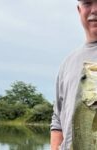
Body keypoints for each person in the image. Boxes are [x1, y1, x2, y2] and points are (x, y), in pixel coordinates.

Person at [50, 0, 97, 149]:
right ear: (79, 10)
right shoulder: (67, 63)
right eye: (87, 3)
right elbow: (57, 118)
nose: (94, 9)